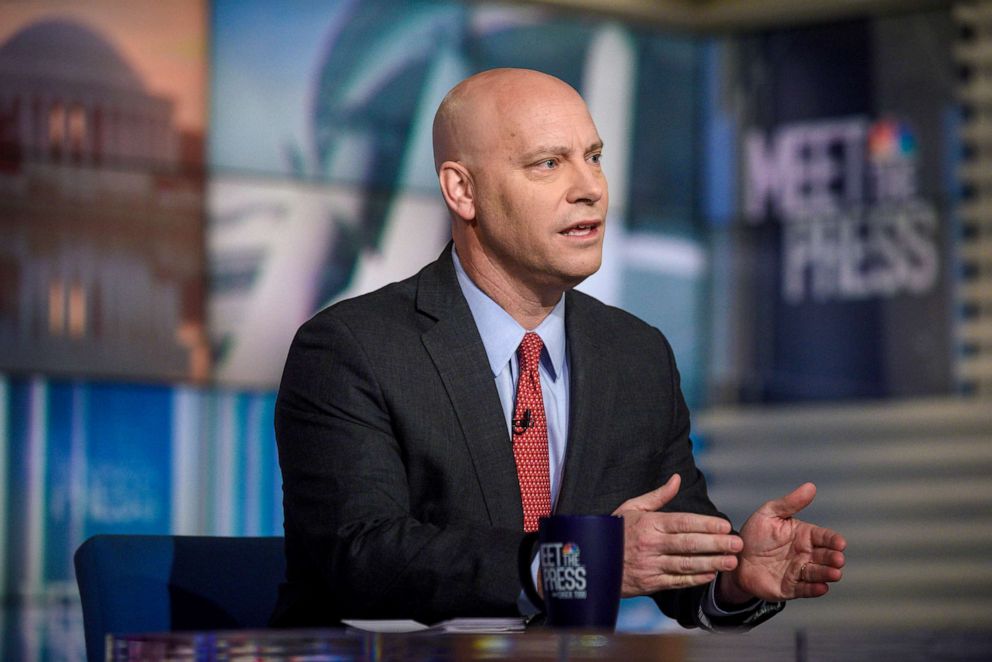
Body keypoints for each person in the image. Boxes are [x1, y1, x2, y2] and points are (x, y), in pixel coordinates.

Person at [271, 68, 846, 629]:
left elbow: (662, 550)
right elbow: (363, 557)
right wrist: (569, 564)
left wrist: (733, 573)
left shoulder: (635, 354)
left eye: (593, 157)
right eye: (548, 164)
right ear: (462, 190)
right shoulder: (352, 348)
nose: (591, 188)